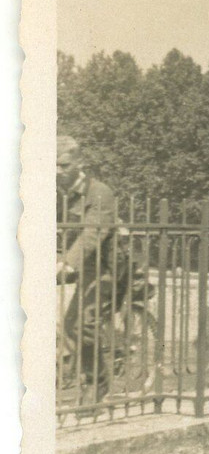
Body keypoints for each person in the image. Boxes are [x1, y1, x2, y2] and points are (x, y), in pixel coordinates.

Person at [56, 134, 119, 401]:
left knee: (81, 324)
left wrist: (67, 263)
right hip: (81, 267)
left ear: (79, 162)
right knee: (69, 324)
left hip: (108, 268)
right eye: (53, 166)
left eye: (64, 165)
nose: (58, 172)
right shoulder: (59, 194)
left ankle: (99, 384)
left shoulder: (100, 192)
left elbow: (92, 234)